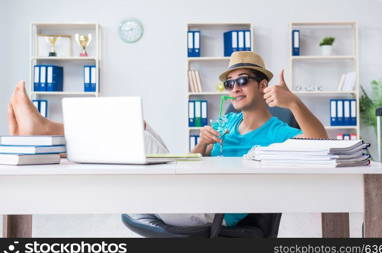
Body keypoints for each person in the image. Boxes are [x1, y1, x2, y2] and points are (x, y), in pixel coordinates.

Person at [156, 51, 328, 228]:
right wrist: (201, 144)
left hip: (217, 211)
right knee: (148, 146)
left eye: (242, 80)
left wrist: (294, 103)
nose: (235, 88)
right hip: (197, 195)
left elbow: (320, 142)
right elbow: (192, 162)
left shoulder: (277, 132)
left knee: (151, 201)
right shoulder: (227, 122)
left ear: (262, 85)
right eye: (229, 83)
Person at [7, 81, 169, 154]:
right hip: (192, 172)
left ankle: (46, 132)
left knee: (134, 134)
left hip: (186, 188)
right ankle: (46, 137)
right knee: (139, 124)